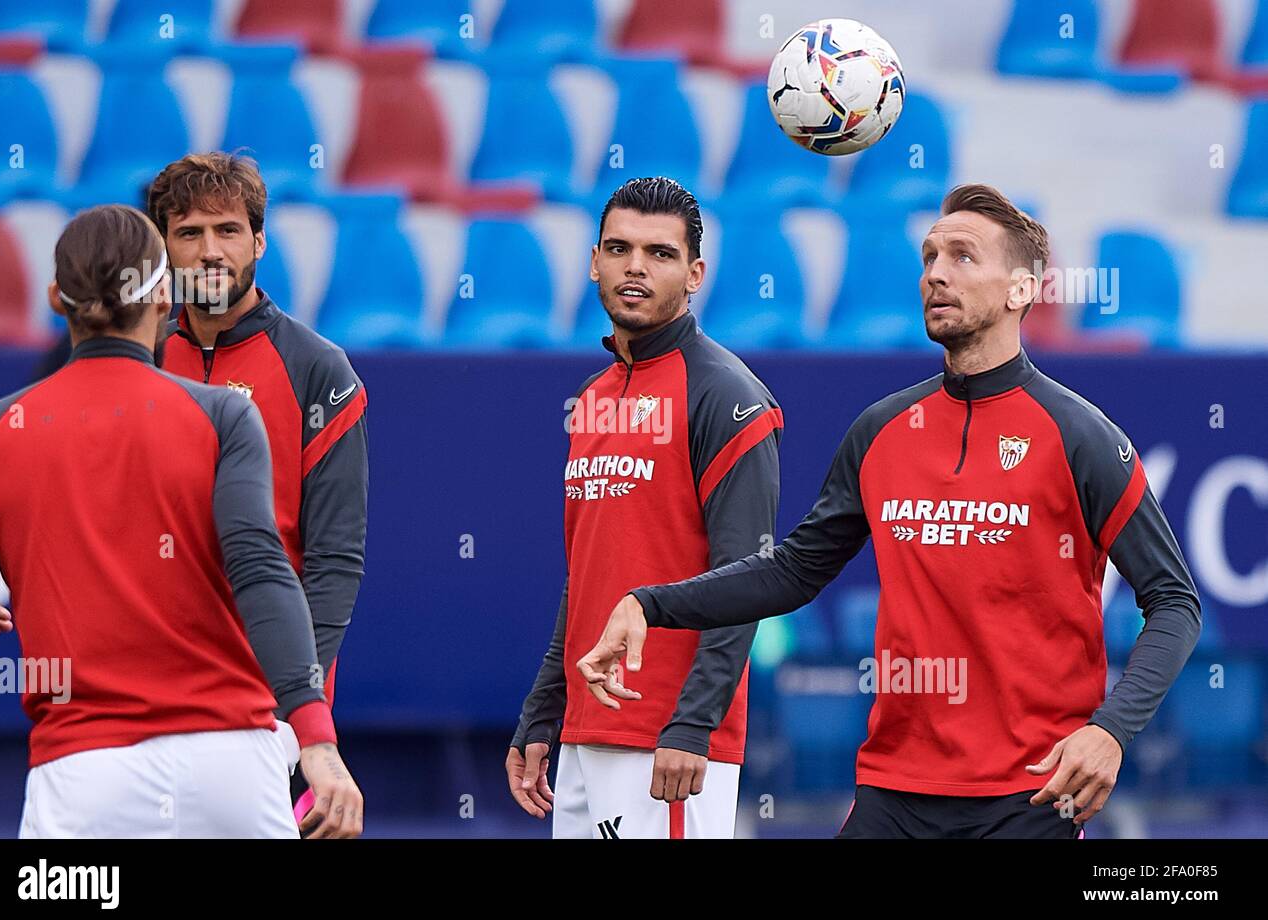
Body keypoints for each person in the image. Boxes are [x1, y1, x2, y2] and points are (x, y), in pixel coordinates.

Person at [579, 183, 1201, 839]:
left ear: (1021, 290)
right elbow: (792, 571)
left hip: (1033, 794)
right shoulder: (881, 429)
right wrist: (651, 603)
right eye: (930, 256)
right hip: (893, 792)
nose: (935, 272)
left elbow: (1175, 599)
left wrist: (1111, 730)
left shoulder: (1081, 436)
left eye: (963, 256)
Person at [0, 204, 363, 838]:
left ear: (55, 299)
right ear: (161, 297)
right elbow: (262, 569)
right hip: (233, 769)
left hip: (83, 775)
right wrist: (314, 737)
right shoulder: (225, 418)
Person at [508, 177, 784, 839]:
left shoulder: (729, 396)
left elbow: (746, 580)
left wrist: (693, 723)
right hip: (584, 734)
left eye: (659, 253)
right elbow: (586, 574)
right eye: (619, 248)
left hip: (669, 742)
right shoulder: (593, 397)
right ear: (594, 262)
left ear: (694, 275)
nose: (636, 266)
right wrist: (545, 710)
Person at [147, 153, 369, 823]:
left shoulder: (317, 368)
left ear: (259, 241)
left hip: (264, 702)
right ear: (163, 247)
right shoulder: (140, 357)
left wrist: (297, 710)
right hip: (146, 690)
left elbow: (334, 560)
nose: (209, 250)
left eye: (227, 230)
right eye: (188, 234)